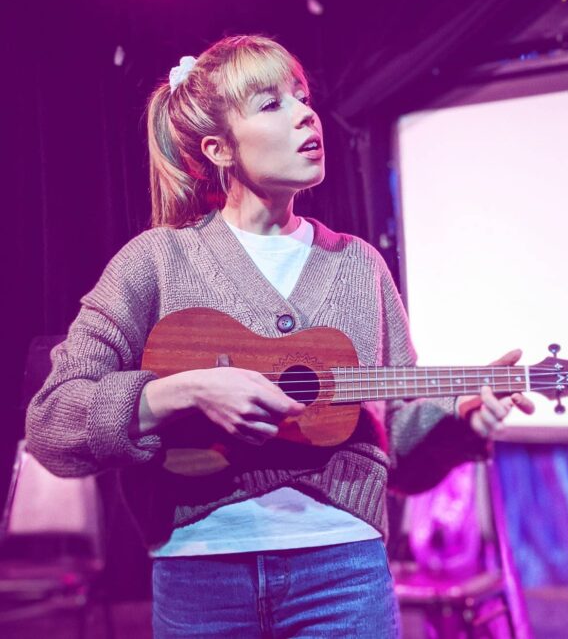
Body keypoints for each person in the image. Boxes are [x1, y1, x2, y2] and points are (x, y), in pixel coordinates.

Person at [25, 35, 534, 638]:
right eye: (271, 105)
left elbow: (392, 441)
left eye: (303, 96)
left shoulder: (358, 266)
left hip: (343, 573)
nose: (305, 114)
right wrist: (180, 392)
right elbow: (52, 423)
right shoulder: (157, 261)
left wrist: (461, 423)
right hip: (201, 580)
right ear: (218, 148)